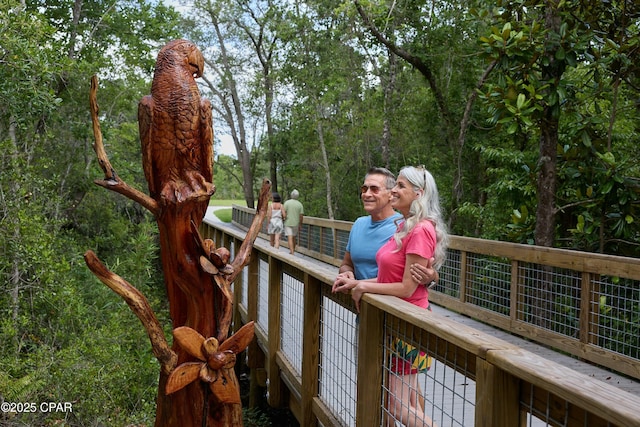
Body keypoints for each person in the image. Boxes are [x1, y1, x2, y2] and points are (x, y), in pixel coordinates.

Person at [333, 166, 449, 427]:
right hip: (385, 319)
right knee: (393, 397)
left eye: (399, 186)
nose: (395, 190)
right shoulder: (404, 226)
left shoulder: (417, 229)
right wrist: (356, 281)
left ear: (418, 194)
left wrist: (363, 287)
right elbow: (393, 275)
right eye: (364, 188)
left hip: (405, 321)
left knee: (397, 403)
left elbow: (409, 286)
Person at [283, 189, 304, 255]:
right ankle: (293, 250)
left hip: (288, 222)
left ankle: (291, 252)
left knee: (290, 237)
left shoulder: (287, 203)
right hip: (296, 223)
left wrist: (284, 218)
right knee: (294, 237)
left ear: (291, 195)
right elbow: (301, 216)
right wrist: (300, 224)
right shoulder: (300, 204)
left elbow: (284, 212)